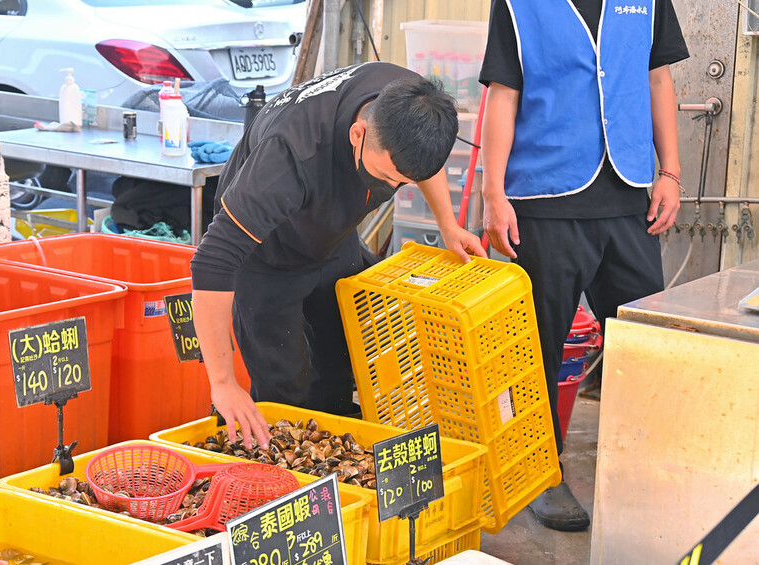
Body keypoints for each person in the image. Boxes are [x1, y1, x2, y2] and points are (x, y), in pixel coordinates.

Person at [190, 62, 486, 449]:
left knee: (340, 368)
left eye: (403, 182)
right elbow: (212, 262)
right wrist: (223, 384)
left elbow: (421, 160)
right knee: (287, 395)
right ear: (357, 133)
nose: (394, 187)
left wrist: (448, 224)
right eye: (387, 178)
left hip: (333, 238)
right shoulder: (290, 154)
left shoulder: (415, 103)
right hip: (266, 258)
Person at [479, 0, 689, 531]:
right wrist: (493, 192)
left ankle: (644, 468)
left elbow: (656, 77)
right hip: (544, 199)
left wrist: (671, 172)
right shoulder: (517, 6)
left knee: (642, 345)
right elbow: (503, 94)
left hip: (628, 199)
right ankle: (539, 474)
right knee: (537, 352)